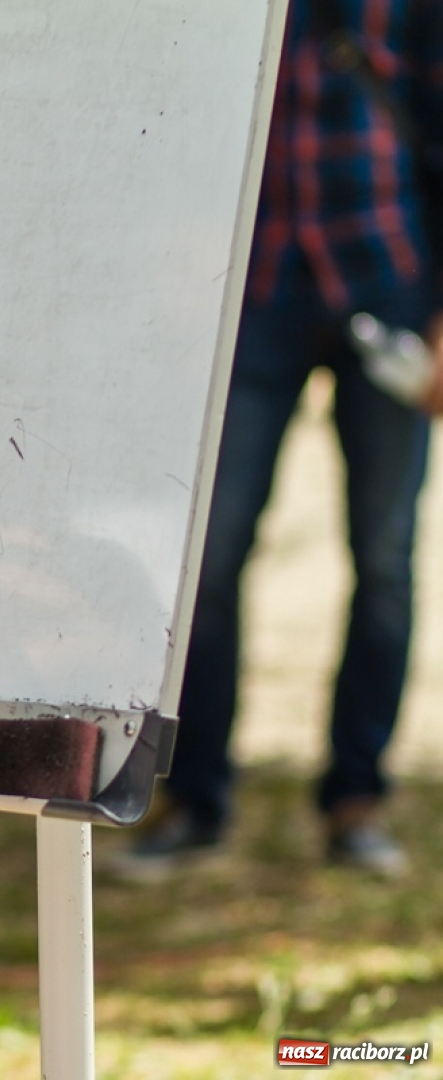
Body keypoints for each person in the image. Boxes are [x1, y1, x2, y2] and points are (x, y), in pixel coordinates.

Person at [115, 0, 443, 882]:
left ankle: (358, 800)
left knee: (382, 557)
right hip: (247, 300)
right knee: (207, 559)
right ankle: (196, 802)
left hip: (392, 280)